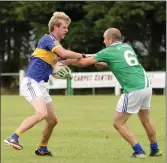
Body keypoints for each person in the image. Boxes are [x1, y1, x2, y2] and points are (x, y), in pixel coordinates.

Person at [64, 28, 162, 158]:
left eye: (104, 39)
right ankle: (155, 150)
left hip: (133, 89)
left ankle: (139, 151)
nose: (104, 41)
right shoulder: (126, 47)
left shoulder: (109, 50)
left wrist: (65, 60)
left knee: (118, 123)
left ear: (110, 39)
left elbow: (83, 62)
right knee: (146, 120)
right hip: (146, 85)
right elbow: (118, 61)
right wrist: (101, 62)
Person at [4, 11, 85, 156]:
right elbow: (65, 54)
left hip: (39, 85)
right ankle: (13, 137)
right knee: (41, 113)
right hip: (31, 82)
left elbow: (67, 60)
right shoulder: (48, 39)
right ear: (55, 27)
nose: (67, 30)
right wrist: (82, 55)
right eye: (65, 27)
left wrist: (94, 60)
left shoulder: (54, 49)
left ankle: (42, 148)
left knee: (52, 120)